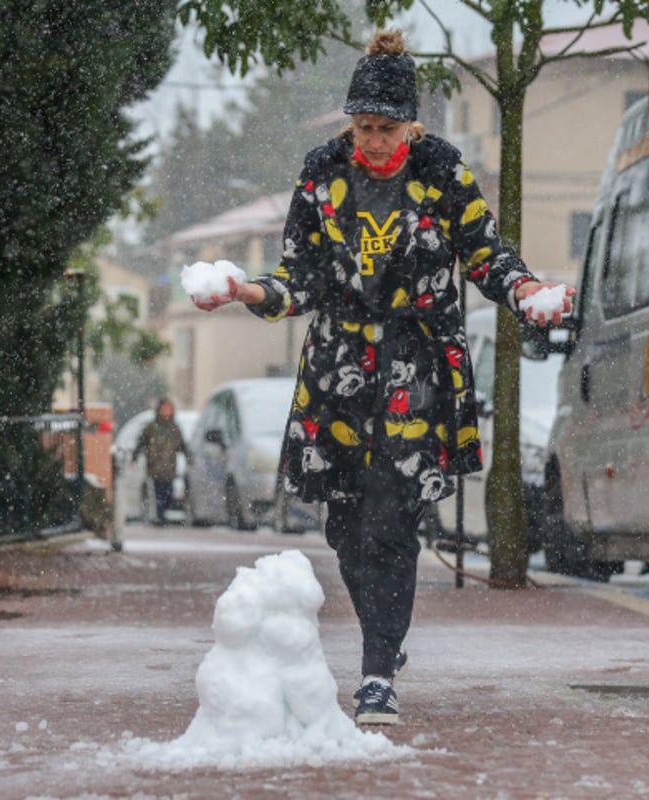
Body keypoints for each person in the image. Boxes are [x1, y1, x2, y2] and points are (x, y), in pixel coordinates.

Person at [192, 29, 573, 726]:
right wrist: (250, 292)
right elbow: (301, 272)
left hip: (416, 369)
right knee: (345, 525)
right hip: (338, 370)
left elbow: (486, 256)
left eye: (385, 127)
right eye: (362, 126)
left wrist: (526, 292)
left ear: (411, 123)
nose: (370, 140)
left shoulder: (442, 172)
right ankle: (386, 639)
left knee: (392, 525)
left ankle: (375, 674)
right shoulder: (321, 172)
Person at [133, 397, 188, 526]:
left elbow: (183, 445)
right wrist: (134, 456)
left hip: (170, 467)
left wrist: (189, 458)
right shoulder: (152, 427)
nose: (166, 411)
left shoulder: (174, 428)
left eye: (169, 408)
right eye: (164, 408)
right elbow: (141, 442)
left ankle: (162, 513)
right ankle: (160, 516)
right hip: (155, 466)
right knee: (158, 493)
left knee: (169, 492)